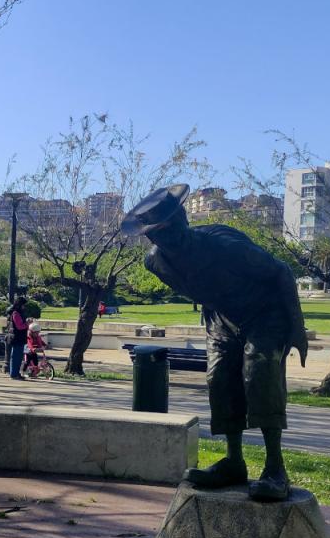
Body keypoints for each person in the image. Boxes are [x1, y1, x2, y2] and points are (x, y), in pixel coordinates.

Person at [121, 184, 308, 501]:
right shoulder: (156, 263)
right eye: (161, 233)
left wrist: (296, 327)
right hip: (222, 317)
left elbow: (281, 272)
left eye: (175, 226)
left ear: (184, 218)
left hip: (265, 312)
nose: (172, 237)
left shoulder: (223, 244)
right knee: (219, 378)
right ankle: (234, 461)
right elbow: (201, 288)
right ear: (151, 237)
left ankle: (276, 468)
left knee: (259, 371)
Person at [5, 296, 29, 379]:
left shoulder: (19, 313)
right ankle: (13, 374)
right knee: (15, 357)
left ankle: (16, 373)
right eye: (23, 305)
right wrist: (27, 324)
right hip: (16, 338)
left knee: (19, 357)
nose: (24, 307)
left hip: (20, 338)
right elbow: (19, 326)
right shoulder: (15, 313)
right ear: (19, 305)